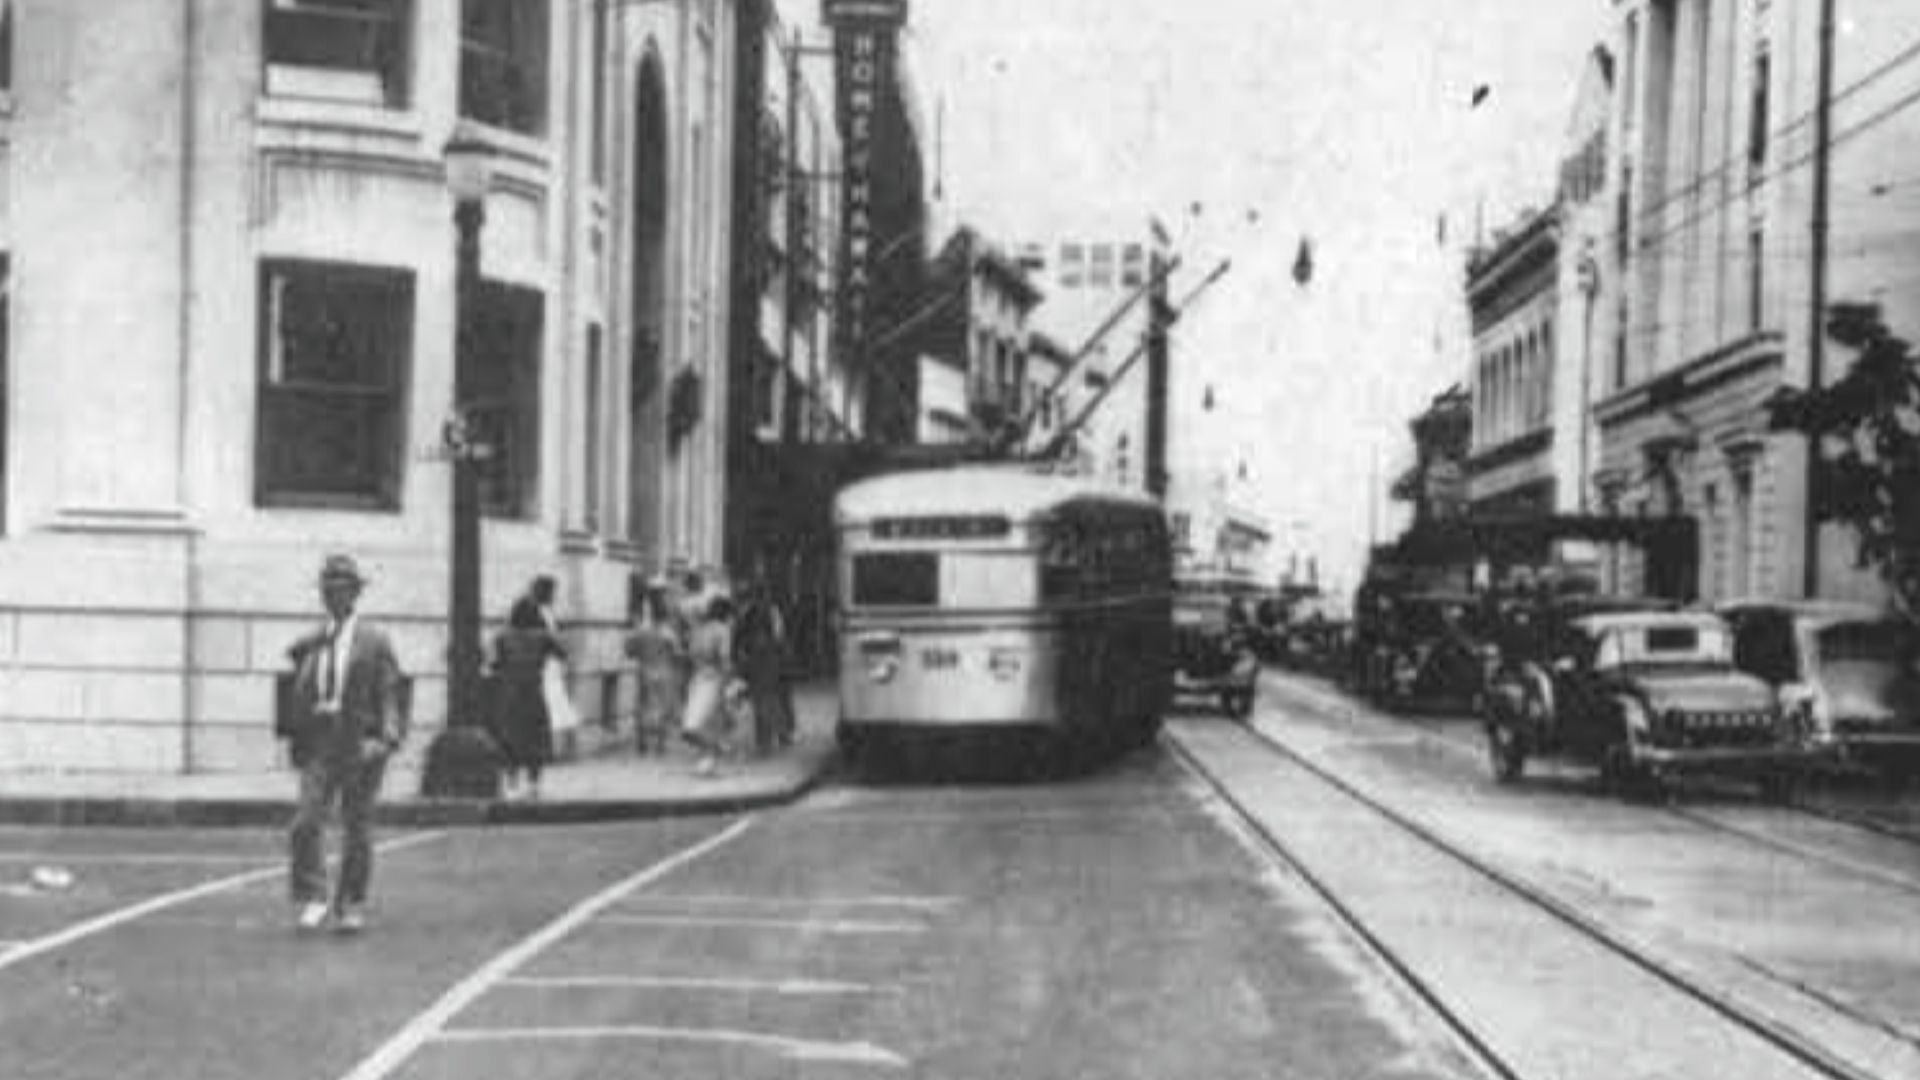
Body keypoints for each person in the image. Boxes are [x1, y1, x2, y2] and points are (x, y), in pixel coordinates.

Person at [284, 554, 408, 935]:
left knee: (357, 826)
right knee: (305, 822)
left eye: (339, 588)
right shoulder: (316, 637)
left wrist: (386, 739)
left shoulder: (374, 640)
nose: (331, 594)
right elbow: (297, 671)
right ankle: (314, 895)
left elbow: (390, 693)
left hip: (359, 738)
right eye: (326, 588)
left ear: (355, 593)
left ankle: (350, 902)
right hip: (320, 738)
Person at [488, 596, 563, 799]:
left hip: (510, 694)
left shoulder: (502, 637)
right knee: (536, 740)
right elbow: (562, 653)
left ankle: (512, 783)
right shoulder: (543, 636)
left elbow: (493, 664)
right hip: (534, 693)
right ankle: (534, 784)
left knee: (510, 739)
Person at [624, 581, 685, 756]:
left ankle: (642, 742)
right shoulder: (668, 632)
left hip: (645, 670)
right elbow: (677, 653)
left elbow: (629, 651)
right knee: (662, 708)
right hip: (664, 671)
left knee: (643, 706)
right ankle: (659, 744)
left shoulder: (641, 630)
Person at [735, 577, 795, 754]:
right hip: (771, 659)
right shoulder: (772, 610)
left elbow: (738, 636)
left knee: (761, 700)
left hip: (757, 660)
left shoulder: (748, 611)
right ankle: (780, 734)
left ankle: (765, 739)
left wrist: (740, 655)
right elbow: (779, 636)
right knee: (774, 698)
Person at [680, 593, 737, 777]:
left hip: (706, 679)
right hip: (705, 679)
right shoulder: (717, 630)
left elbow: (695, 655)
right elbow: (724, 658)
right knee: (697, 726)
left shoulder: (707, 630)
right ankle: (711, 754)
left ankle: (708, 759)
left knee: (696, 725)